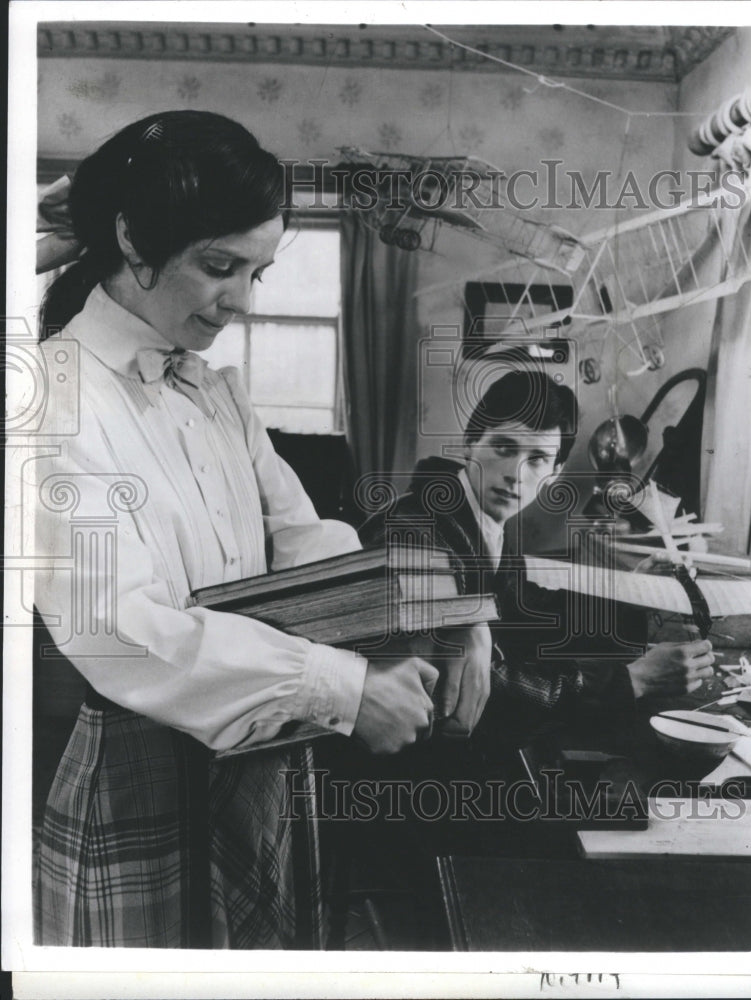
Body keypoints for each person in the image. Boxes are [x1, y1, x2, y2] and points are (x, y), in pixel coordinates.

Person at [32, 111, 488, 949]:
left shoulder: (217, 393)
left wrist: (451, 612)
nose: (240, 302)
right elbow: (118, 630)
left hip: (259, 754)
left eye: (258, 273)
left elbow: (306, 541)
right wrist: (342, 689)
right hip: (144, 771)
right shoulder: (46, 397)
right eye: (218, 267)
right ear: (132, 240)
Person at [360, 369, 716, 749]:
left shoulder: (478, 514)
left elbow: (527, 609)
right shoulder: (416, 532)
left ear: (554, 473)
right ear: (468, 444)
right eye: (503, 448)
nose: (515, 474)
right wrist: (632, 681)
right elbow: (480, 687)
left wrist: (633, 600)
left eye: (537, 459)